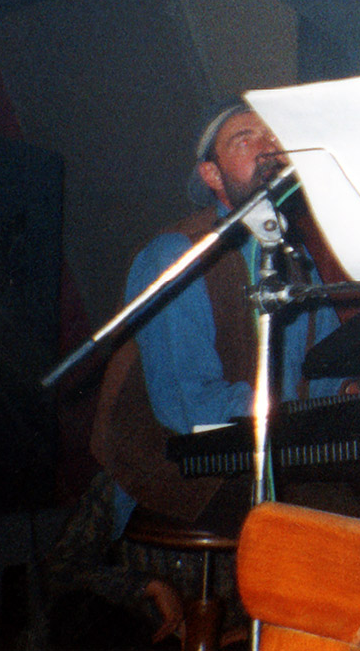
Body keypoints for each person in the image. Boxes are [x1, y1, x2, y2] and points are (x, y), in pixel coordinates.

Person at [92, 102, 344, 539]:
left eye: (273, 136)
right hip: (187, 480)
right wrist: (297, 417)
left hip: (276, 451)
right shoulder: (175, 255)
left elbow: (327, 365)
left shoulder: (296, 257)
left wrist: (351, 394)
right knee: (350, 526)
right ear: (212, 175)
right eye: (245, 139)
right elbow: (188, 406)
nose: (268, 149)